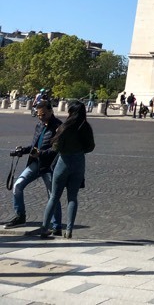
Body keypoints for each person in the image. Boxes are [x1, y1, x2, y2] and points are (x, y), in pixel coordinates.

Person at [33, 100, 95, 239]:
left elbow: (56, 147)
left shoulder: (64, 127)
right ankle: (69, 230)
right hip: (79, 162)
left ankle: (44, 228)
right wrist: (80, 151)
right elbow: (91, 147)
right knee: (72, 197)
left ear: (70, 112)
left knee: (54, 196)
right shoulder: (86, 127)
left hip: (63, 162)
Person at [4, 101, 62, 234]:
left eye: (42, 114)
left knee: (53, 196)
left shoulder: (58, 127)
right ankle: (20, 216)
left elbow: (56, 150)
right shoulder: (39, 126)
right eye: (37, 114)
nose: (40, 117)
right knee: (18, 185)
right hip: (35, 163)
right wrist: (22, 151)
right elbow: (34, 146)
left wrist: (40, 153)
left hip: (49, 166)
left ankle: (56, 225)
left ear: (50, 111)